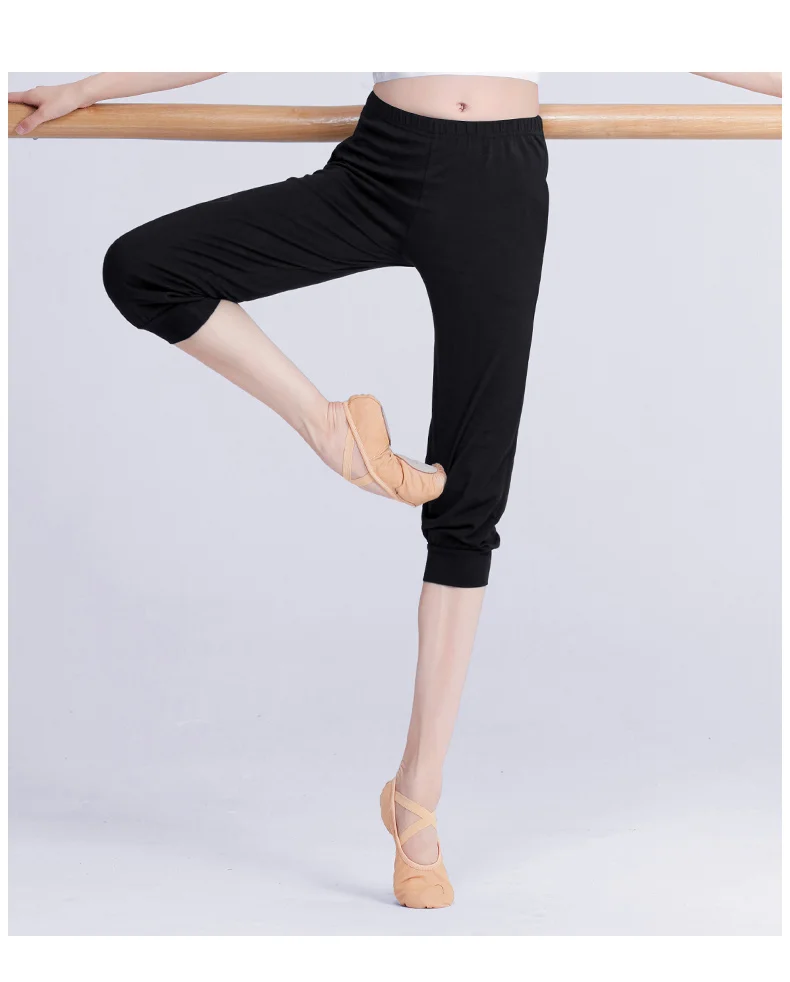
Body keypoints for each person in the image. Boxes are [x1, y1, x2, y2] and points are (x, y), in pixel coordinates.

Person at [8, 70, 782, 909]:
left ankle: (417, 797)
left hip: (498, 186)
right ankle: (325, 427)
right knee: (144, 266)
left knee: (467, 501)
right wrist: (91, 86)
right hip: (385, 164)